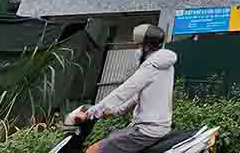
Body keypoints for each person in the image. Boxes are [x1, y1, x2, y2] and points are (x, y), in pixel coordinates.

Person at [73, 24, 177, 153]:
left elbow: (124, 91)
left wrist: (91, 112)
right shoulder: (166, 65)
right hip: (156, 127)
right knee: (112, 136)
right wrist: (113, 111)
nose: (137, 50)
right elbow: (136, 97)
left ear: (146, 46)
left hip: (147, 130)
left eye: (138, 45)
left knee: (93, 150)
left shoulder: (150, 66)